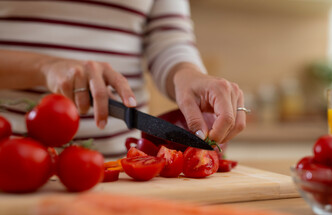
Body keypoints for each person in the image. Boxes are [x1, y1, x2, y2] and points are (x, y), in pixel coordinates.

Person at [0, 0, 245, 158]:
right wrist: (45, 67)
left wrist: (189, 75)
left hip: (122, 166)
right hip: (13, 158)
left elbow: (169, 39)